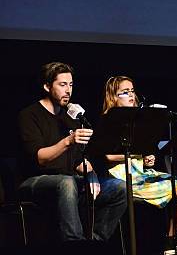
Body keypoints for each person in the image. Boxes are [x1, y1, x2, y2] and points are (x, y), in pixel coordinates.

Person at [17, 62, 126, 243]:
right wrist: (68, 140)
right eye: (62, 85)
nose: (68, 90)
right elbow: (39, 158)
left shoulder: (70, 118)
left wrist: (92, 175)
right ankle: (74, 246)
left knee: (120, 188)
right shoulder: (29, 115)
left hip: (70, 183)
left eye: (71, 85)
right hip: (35, 180)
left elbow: (78, 161)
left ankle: (94, 243)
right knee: (66, 183)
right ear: (47, 86)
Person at [102, 76, 177, 255]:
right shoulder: (109, 122)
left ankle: (172, 240)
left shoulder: (139, 123)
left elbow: (142, 153)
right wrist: (132, 157)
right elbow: (106, 156)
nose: (131, 95)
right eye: (124, 92)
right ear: (113, 97)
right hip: (121, 178)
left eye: (132, 91)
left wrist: (146, 159)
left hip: (140, 174)